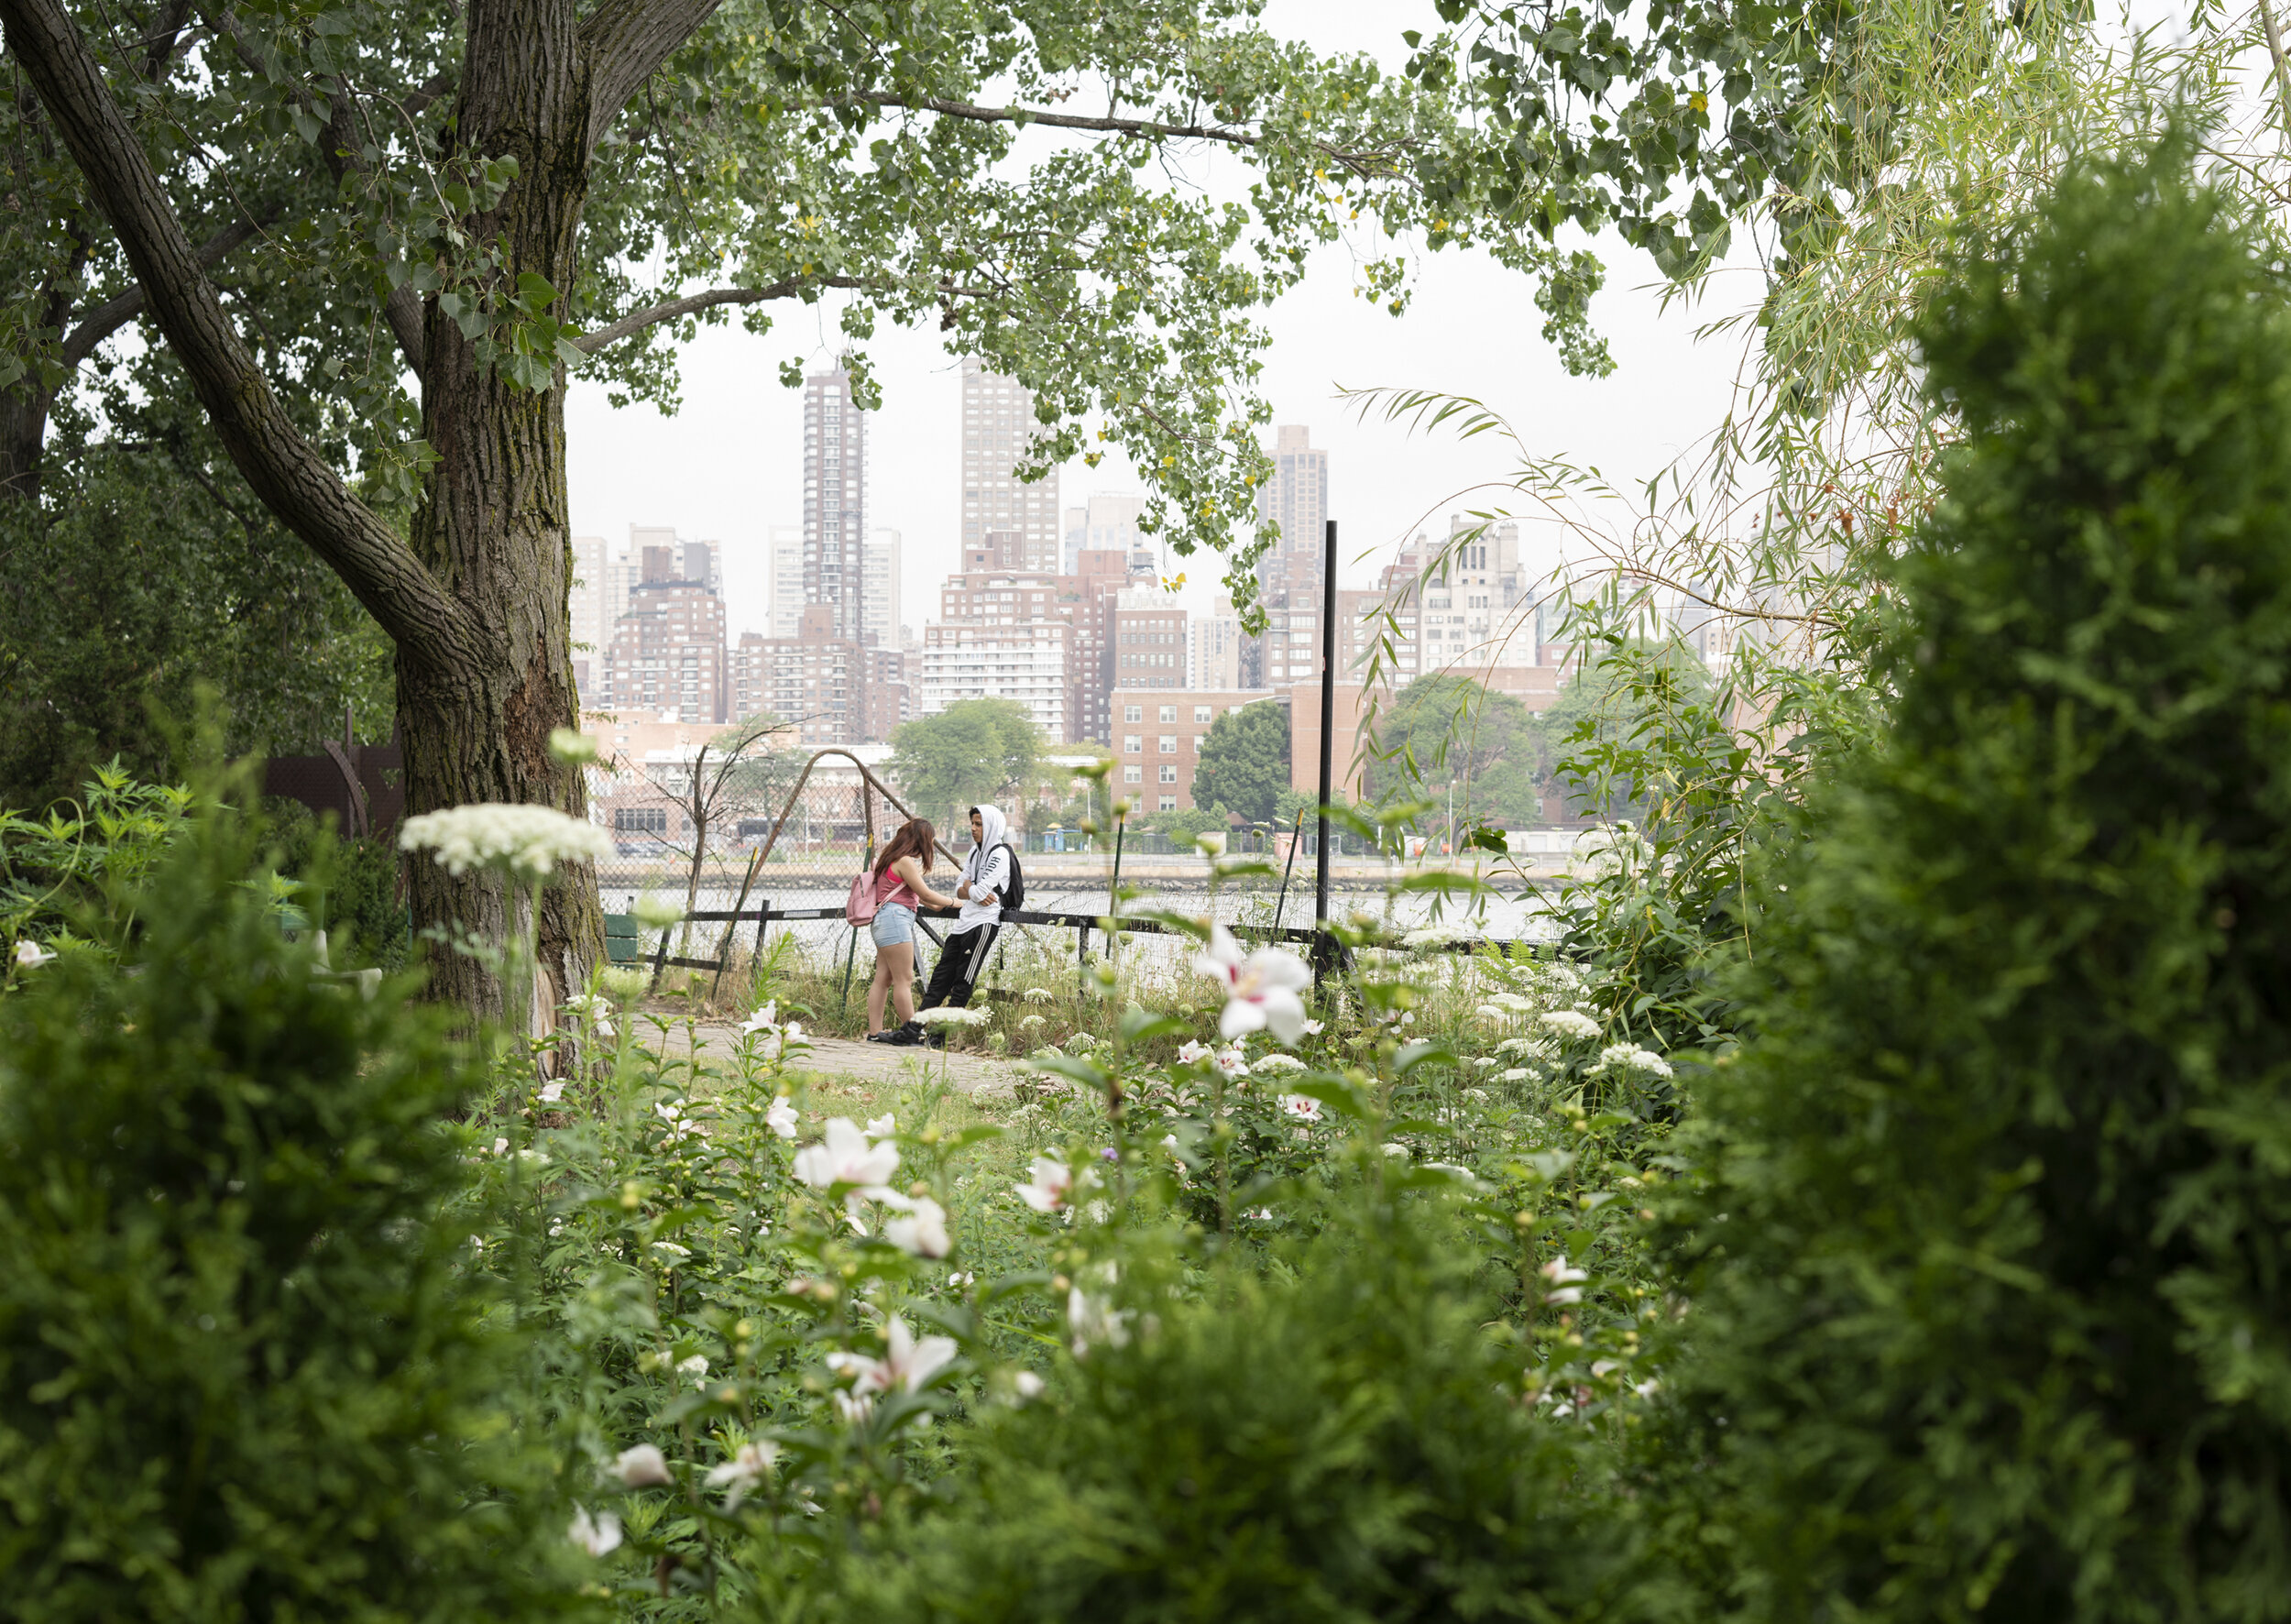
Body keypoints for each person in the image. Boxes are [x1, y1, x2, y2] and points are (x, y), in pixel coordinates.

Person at [873, 804, 1010, 1047]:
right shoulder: (973, 853)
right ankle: (912, 1031)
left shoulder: (999, 854)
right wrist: (964, 894)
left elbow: (974, 891)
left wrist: (968, 889)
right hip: (948, 921)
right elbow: (963, 889)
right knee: (934, 980)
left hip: (982, 922)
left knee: (961, 982)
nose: (973, 829)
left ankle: (938, 1035)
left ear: (992, 826)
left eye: (979, 824)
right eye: (972, 823)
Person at [860, 818, 959, 1039]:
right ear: (922, 840)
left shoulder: (888, 860)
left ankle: (875, 1032)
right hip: (895, 920)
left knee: (883, 978)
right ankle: (912, 1032)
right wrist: (955, 902)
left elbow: (923, 900)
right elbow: (926, 895)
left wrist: (940, 903)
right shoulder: (905, 862)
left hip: (883, 920)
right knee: (904, 979)